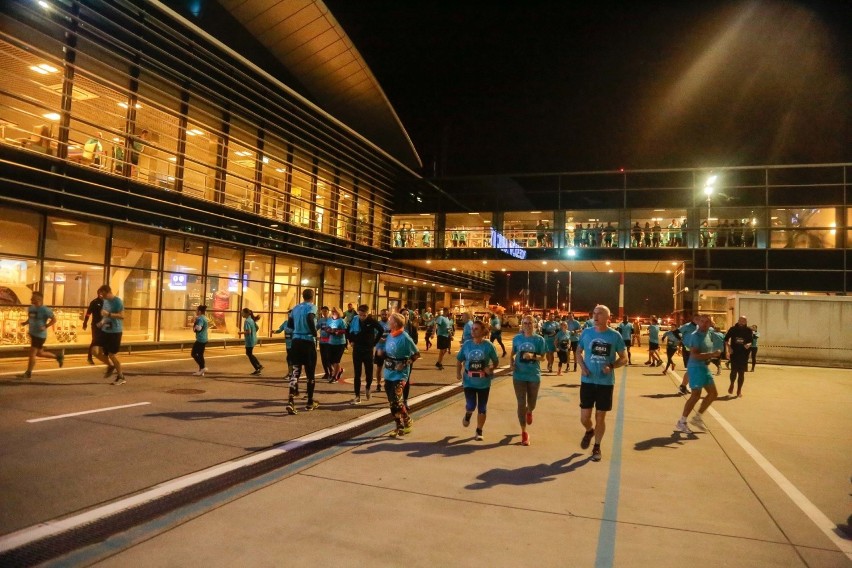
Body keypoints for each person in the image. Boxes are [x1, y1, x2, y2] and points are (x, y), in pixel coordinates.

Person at [576, 304, 627, 462]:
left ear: (607, 318)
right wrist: (582, 366)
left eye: (599, 314)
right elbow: (578, 351)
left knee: (600, 417)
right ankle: (589, 430)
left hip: (605, 383)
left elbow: (624, 358)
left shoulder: (615, 336)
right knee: (585, 418)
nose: (595, 316)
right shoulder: (587, 332)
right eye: (594, 313)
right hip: (588, 380)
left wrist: (611, 366)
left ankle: (597, 446)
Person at [675, 315, 722, 434]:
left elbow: (720, 339)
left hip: (704, 367)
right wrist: (712, 355)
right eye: (702, 321)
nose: (705, 323)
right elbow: (695, 355)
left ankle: (697, 418)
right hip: (695, 367)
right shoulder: (695, 336)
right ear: (698, 323)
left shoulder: (709, 333)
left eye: (707, 321)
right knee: (696, 395)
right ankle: (682, 422)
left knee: (713, 393)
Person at [457, 320, 499, 441]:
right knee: (471, 405)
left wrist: (489, 368)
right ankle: (468, 414)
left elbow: (496, 362)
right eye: (472, 329)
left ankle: (479, 430)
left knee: (482, 407)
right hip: (469, 381)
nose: (473, 331)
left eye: (476, 329)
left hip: (483, 382)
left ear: (483, 331)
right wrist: (458, 373)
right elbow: (459, 359)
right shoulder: (467, 345)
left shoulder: (488, 346)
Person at [509, 314, 546, 446]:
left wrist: (533, 356)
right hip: (519, 375)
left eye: (530, 323)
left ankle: (530, 411)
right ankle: (524, 432)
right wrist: (511, 363)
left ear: (534, 324)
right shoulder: (517, 339)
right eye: (525, 323)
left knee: (532, 403)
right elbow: (513, 353)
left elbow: (543, 357)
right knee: (520, 403)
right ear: (522, 325)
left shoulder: (539, 340)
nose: (527, 325)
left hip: (533, 375)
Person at [383, 313, 420, 437]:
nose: (388, 321)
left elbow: (416, 354)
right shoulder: (390, 335)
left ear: (396, 323)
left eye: (390, 320)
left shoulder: (405, 337)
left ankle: (407, 421)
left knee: (397, 401)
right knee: (392, 402)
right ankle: (399, 425)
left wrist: (405, 363)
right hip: (389, 372)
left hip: (400, 374)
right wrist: (380, 353)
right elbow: (388, 352)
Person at [16, 291, 64, 379]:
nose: (31, 299)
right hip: (33, 334)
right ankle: (58, 357)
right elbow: (31, 318)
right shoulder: (31, 308)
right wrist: (25, 323)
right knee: (40, 353)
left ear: (38, 299)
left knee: (32, 354)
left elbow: (54, 320)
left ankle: (28, 373)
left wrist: (46, 326)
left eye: (33, 298)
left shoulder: (45, 310)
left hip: (40, 335)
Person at [287, 289, 320, 411]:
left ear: (302, 296)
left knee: (295, 371)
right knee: (310, 373)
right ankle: (310, 402)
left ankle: (290, 400)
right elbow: (310, 318)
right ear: (313, 296)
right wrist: (314, 333)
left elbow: (290, 325)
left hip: (296, 341)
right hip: (307, 341)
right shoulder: (312, 307)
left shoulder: (295, 308)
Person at [347, 304, 383, 403]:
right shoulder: (355, 320)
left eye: (364, 315)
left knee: (369, 372)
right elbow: (348, 331)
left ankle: (368, 387)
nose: (362, 317)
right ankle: (357, 396)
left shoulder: (371, 321)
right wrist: (351, 340)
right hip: (357, 349)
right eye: (360, 314)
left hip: (368, 350)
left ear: (367, 313)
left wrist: (374, 343)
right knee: (357, 373)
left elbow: (381, 330)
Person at [93, 285, 126, 385]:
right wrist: (102, 322)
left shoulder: (118, 301)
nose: (101, 296)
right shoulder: (106, 301)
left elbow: (122, 316)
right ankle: (110, 366)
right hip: (105, 330)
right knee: (94, 350)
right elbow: (104, 314)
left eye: (102, 294)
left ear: (107, 292)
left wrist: (109, 314)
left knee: (112, 354)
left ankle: (121, 377)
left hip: (115, 331)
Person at [724, 316, 754, 398]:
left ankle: (739, 390)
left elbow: (751, 341)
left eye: (743, 321)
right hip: (734, 353)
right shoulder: (733, 329)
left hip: (744, 354)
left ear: (746, 321)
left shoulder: (748, 330)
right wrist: (729, 348)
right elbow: (725, 339)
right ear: (738, 321)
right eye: (740, 320)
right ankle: (732, 384)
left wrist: (749, 344)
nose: (741, 322)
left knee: (741, 373)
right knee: (733, 371)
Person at [676, 314, 700, 395]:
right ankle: (683, 386)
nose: (697, 320)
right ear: (693, 319)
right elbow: (676, 332)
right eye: (696, 319)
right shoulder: (687, 326)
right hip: (687, 350)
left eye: (699, 319)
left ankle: (684, 386)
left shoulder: (698, 327)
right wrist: (681, 341)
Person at [82, 289, 105, 365]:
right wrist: (85, 323)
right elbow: (88, 313)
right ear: (98, 294)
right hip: (95, 325)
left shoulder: (106, 303)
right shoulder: (94, 302)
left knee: (104, 340)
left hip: (104, 325)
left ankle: (104, 356)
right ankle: (89, 357)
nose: (102, 295)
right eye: (101, 294)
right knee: (95, 340)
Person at [326, 306, 347, 382]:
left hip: (340, 343)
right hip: (331, 342)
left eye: (335, 312)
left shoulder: (341, 321)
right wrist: (328, 330)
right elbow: (326, 328)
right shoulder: (329, 320)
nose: (333, 313)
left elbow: (345, 330)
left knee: (336, 360)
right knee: (330, 360)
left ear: (338, 313)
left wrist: (338, 332)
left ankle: (335, 376)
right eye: (332, 311)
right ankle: (339, 370)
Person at [239, 308, 263, 375]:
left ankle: (258, 367)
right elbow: (257, 327)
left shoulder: (247, 321)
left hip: (249, 340)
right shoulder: (251, 320)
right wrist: (254, 334)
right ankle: (258, 366)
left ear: (246, 313)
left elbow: (248, 331)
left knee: (249, 353)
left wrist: (240, 333)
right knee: (249, 353)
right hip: (253, 339)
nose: (241, 314)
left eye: (242, 313)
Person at [373, 309, 391, 391]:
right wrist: (378, 339)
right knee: (379, 367)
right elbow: (373, 335)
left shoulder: (391, 324)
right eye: (382, 314)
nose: (384, 316)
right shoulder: (377, 324)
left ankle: (388, 384)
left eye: (385, 314)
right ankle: (378, 384)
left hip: (389, 349)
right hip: (380, 348)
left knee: (389, 367)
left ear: (388, 315)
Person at [191, 305, 209, 376]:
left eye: (196, 310)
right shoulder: (204, 318)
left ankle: (203, 368)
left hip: (200, 339)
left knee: (193, 353)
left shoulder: (200, 319)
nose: (196, 311)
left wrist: (195, 323)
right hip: (204, 338)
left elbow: (199, 328)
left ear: (199, 311)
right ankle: (201, 370)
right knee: (200, 355)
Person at [317, 306, 332, 381]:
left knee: (328, 357)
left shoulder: (331, 320)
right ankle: (326, 372)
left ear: (328, 311)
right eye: (323, 311)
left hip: (329, 342)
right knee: (323, 358)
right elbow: (316, 328)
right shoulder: (321, 320)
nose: (324, 313)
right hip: (322, 341)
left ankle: (331, 372)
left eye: (325, 311)